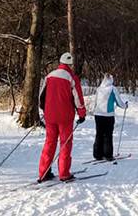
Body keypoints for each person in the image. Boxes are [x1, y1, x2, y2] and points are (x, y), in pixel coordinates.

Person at [38, 52, 87, 182]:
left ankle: (44, 172)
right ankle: (64, 173)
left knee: (49, 142)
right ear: (70, 65)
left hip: (50, 115)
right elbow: (78, 98)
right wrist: (82, 114)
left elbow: (41, 96)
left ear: (60, 63)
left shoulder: (49, 76)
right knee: (65, 143)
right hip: (65, 116)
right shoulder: (72, 78)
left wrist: (45, 110)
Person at [92, 74, 127, 161]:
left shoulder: (99, 89)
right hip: (108, 115)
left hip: (98, 114)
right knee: (108, 135)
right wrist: (125, 106)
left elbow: (95, 101)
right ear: (111, 80)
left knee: (99, 134)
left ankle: (97, 154)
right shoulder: (112, 89)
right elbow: (119, 102)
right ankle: (108, 154)